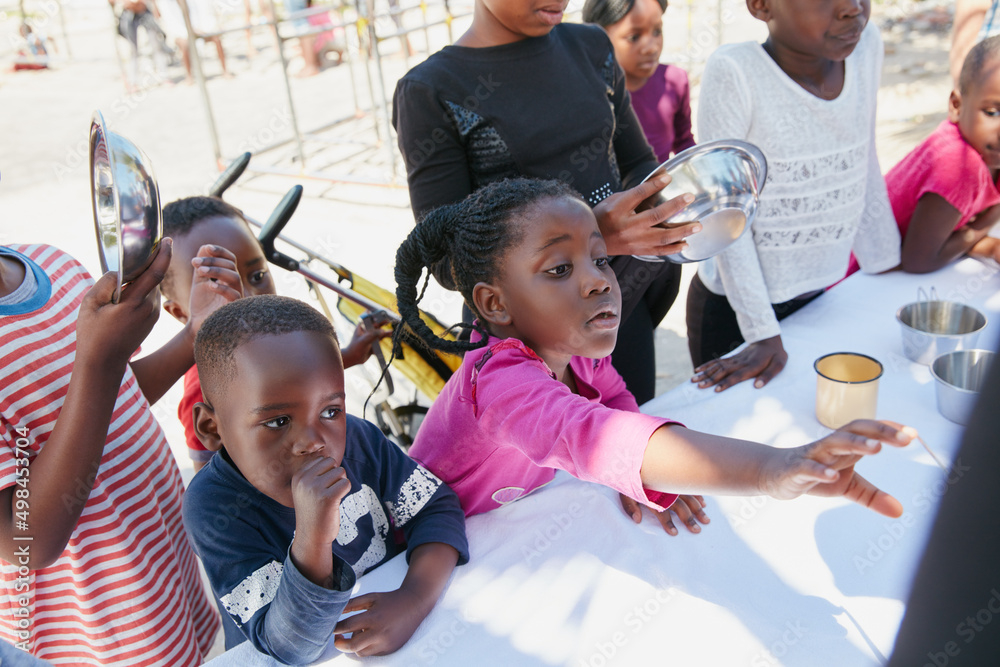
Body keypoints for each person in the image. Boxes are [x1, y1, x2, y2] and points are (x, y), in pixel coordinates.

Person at [395, 178, 917, 537]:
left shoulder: (573, 351)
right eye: (559, 269)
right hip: (424, 541)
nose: (600, 279)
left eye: (600, 258)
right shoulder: (502, 383)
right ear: (494, 303)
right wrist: (773, 468)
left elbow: (616, 403)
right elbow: (589, 435)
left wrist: (644, 473)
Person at [391, 0, 702, 404]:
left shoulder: (591, 46)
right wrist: (593, 235)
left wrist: (671, 209)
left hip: (619, 308)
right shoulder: (432, 89)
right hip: (524, 339)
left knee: (631, 444)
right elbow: (447, 261)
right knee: (548, 467)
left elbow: (638, 163)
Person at [184, 294, 469, 661]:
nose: (313, 442)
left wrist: (413, 599)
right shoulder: (214, 508)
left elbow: (436, 508)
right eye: (278, 422)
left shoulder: (359, 440)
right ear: (212, 428)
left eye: (331, 410)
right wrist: (313, 538)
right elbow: (291, 648)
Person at [0, 240, 226, 664]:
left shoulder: (53, 264)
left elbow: (118, 396)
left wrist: (195, 332)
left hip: (158, 562)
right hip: (103, 623)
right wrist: (97, 360)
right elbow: (28, 540)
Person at [684, 0, 901, 392]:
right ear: (762, 7)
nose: (852, 9)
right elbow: (724, 212)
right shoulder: (736, 72)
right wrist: (761, 333)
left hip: (824, 295)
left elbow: (862, 156)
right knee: (749, 444)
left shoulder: (867, 46)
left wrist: (884, 264)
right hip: (739, 312)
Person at [160, 195, 390, 472]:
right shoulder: (204, 387)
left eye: (258, 276)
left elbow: (299, 378)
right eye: (219, 288)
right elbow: (206, 477)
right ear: (181, 313)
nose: (251, 298)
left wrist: (349, 355)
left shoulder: (280, 339)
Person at [883, 35, 1000, 273]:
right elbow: (918, 260)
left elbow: (948, 237)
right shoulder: (959, 165)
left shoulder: (988, 152)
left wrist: (991, 249)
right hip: (851, 282)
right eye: (992, 112)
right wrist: (988, 221)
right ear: (956, 106)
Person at [583, 0, 695, 164]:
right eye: (634, 37)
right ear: (597, 37)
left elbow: (684, 143)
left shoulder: (675, 80)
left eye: (657, 32)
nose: (651, 48)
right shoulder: (587, 92)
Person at [157, 0, 231, 83]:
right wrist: (190, 31)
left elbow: (200, 15)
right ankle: (189, 76)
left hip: (196, 29)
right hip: (179, 33)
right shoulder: (165, 3)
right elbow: (171, 25)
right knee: (184, 43)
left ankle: (225, 70)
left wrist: (199, 29)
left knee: (216, 38)